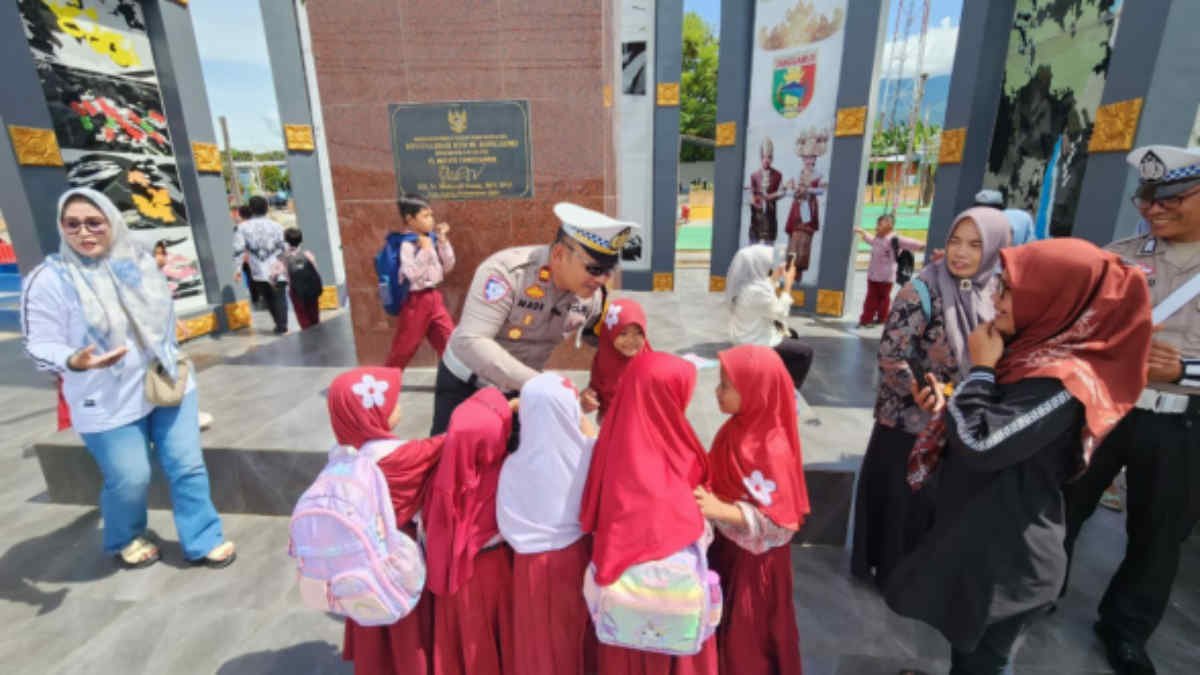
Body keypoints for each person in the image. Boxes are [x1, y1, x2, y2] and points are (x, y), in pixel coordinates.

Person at [885, 238, 1152, 674]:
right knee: (967, 649)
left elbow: (980, 444)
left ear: (1055, 298)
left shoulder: (1063, 381)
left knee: (985, 661)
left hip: (1010, 562)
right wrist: (959, 397)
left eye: (1009, 290)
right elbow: (988, 423)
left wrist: (981, 371)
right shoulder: (1030, 354)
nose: (997, 299)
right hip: (982, 540)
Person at [20, 187, 234, 569]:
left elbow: (161, 315)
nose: (84, 233)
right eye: (72, 225)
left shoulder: (137, 263)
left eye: (94, 223)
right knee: (130, 478)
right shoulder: (50, 279)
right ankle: (126, 535)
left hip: (166, 383)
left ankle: (203, 538)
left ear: (111, 223)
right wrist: (74, 360)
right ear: (61, 227)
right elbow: (39, 343)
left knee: (187, 465)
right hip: (104, 398)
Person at [1062, 144, 1200, 675]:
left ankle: (1124, 629)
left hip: (1181, 424)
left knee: (1159, 533)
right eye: (1146, 197)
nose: (1153, 209)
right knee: (1065, 504)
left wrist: (1182, 372)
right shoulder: (1119, 255)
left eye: (1171, 198)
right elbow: (1076, 329)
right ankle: (1038, 591)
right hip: (1107, 408)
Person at [851, 207, 1010, 589]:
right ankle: (891, 572)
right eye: (955, 241)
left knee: (939, 503)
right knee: (903, 501)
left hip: (962, 418)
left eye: (975, 245)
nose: (961, 253)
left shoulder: (997, 292)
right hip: (909, 420)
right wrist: (921, 393)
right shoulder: (921, 290)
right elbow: (892, 356)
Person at [431, 202, 637, 434]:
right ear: (559, 253)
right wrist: (543, 384)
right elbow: (470, 341)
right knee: (451, 462)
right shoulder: (507, 273)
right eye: (594, 269)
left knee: (515, 463)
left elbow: (604, 340)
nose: (601, 280)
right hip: (466, 384)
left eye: (609, 271)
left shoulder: (591, 298)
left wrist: (617, 374)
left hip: (521, 390)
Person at [579, 351, 718, 674]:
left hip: (623, 607)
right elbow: (684, 518)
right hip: (669, 606)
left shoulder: (616, 439)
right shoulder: (677, 446)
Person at [695, 345, 809, 675]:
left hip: (754, 566)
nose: (717, 392)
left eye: (726, 386)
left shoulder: (771, 447)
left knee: (748, 639)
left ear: (754, 389)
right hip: (728, 548)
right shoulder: (734, 429)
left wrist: (724, 511)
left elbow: (781, 525)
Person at [332, 367, 444, 675]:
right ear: (373, 413)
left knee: (373, 624)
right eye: (392, 401)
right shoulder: (402, 456)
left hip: (359, 561)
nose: (399, 405)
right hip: (398, 559)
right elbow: (452, 440)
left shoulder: (342, 456)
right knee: (405, 630)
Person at [497, 373, 599, 675]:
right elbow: (590, 435)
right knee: (577, 636)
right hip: (577, 558)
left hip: (529, 567)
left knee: (539, 643)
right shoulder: (591, 454)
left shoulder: (513, 466)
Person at [423, 387, 518, 675]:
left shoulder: (441, 473)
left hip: (452, 580)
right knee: (490, 643)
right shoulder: (505, 474)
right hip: (492, 572)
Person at [725, 244, 814, 392]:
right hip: (755, 343)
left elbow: (764, 294)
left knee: (792, 335)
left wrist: (775, 277)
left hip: (743, 337)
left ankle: (777, 378)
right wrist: (788, 286)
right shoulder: (758, 291)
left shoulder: (746, 285)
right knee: (805, 352)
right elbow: (780, 313)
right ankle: (789, 392)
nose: (771, 265)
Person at [384, 193, 456, 369]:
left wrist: (442, 241)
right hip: (415, 301)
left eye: (431, 215)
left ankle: (458, 379)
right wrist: (424, 251)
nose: (431, 220)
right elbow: (410, 274)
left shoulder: (430, 239)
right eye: (425, 216)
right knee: (404, 347)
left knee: (449, 341)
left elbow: (448, 266)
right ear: (410, 219)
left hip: (434, 297)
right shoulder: (406, 244)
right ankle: (383, 383)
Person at [580, 298, 651, 422]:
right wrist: (589, 398)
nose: (631, 340)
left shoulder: (650, 362)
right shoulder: (603, 359)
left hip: (642, 424)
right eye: (623, 333)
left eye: (638, 333)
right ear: (609, 333)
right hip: (611, 423)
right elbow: (596, 388)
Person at [854, 213, 926, 327]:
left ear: (889, 225)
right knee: (872, 299)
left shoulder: (894, 239)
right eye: (877, 223)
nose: (877, 226)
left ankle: (875, 319)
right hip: (873, 276)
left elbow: (910, 243)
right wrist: (862, 232)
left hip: (886, 277)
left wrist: (923, 245)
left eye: (880, 224)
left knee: (882, 299)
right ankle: (870, 319)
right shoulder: (878, 238)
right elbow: (871, 240)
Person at [233, 195, 288, 334]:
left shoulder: (242, 227)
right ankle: (282, 325)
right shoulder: (276, 225)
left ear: (251, 209)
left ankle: (279, 324)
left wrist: (238, 269)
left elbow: (238, 250)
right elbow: (284, 246)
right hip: (277, 268)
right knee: (280, 297)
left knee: (269, 298)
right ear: (266, 208)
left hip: (258, 269)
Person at [783, 127, 830, 278]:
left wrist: (808, 190)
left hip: (809, 209)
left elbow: (821, 191)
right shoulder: (797, 174)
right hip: (796, 209)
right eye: (806, 157)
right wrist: (794, 190)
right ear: (802, 158)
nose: (808, 160)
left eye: (811, 157)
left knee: (804, 241)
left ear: (815, 158)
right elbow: (790, 192)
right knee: (793, 241)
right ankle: (790, 272)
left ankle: (800, 273)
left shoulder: (818, 175)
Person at [281, 228, 323, 330]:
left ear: (286, 241)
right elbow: (315, 271)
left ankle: (307, 333)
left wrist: (273, 282)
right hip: (311, 288)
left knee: (301, 314)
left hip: (295, 290)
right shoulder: (308, 254)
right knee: (314, 311)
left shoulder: (284, 257)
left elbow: (276, 274)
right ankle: (316, 331)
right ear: (301, 240)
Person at [748, 138, 785, 244]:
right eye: (764, 157)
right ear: (761, 158)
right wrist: (753, 200)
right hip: (756, 216)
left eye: (769, 157)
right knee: (753, 243)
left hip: (770, 214)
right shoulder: (754, 175)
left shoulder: (778, 175)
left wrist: (773, 196)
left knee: (769, 245)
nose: (766, 160)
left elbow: (782, 191)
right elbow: (752, 194)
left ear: (772, 158)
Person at [235, 204, 260, 306]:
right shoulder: (258, 225)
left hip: (247, 257)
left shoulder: (239, 228)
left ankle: (255, 298)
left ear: (240, 215)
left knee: (251, 278)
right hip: (259, 255)